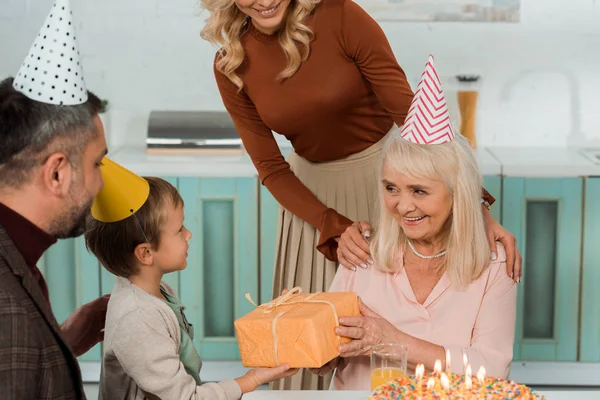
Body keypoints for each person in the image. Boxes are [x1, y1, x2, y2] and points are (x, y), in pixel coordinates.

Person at [200, 0, 521, 389]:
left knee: (396, 325)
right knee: (317, 348)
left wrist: (473, 207)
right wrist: (330, 225)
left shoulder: (341, 15)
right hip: (311, 202)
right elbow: (271, 167)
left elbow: (408, 109)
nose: (265, 1)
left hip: (384, 176)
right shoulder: (229, 64)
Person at [316, 56, 517, 390]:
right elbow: (329, 353)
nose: (403, 206)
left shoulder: (495, 263)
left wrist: (390, 340)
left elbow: (492, 369)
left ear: (458, 194)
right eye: (391, 188)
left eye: (419, 191)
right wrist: (314, 348)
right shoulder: (362, 249)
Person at [85, 163, 297, 400]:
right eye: (179, 229)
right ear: (145, 254)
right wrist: (251, 380)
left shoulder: (158, 292)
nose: (189, 234)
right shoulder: (137, 317)